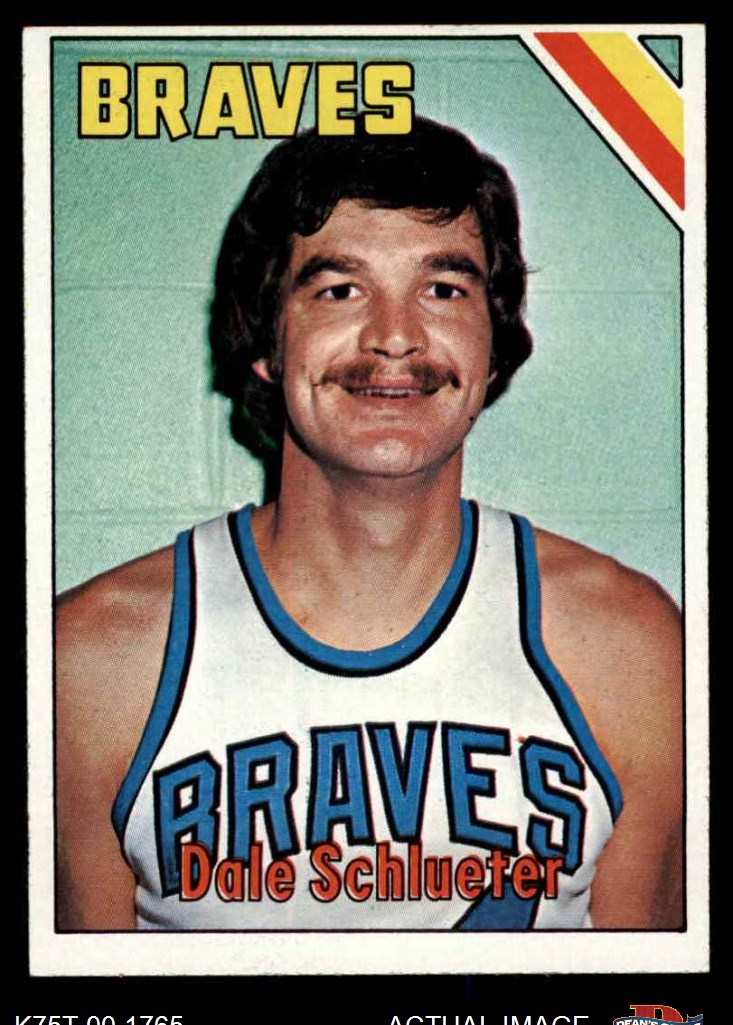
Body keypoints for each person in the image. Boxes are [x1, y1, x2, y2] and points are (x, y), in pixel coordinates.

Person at [55, 115, 682, 932]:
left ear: (492, 345)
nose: (394, 337)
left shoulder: (630, 646)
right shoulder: (90, 662)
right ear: (267, 341)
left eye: (443, 289)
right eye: (339, 290)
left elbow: (649, 994)